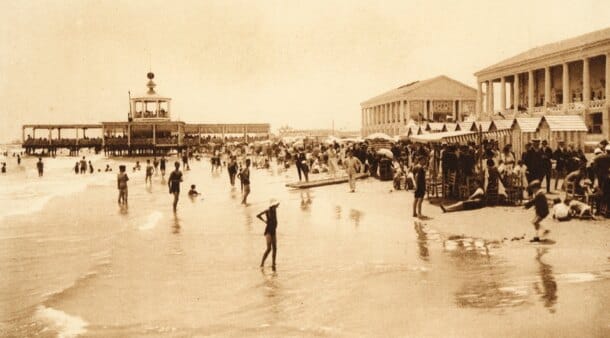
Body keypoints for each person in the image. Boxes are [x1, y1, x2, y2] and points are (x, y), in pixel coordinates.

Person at [257, 200, 280, 270]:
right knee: (269, 248)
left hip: (273, 231)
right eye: (275, 206)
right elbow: (258, 215)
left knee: (275, 248)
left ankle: (273, 263)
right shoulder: (267, 210)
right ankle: (262, 263)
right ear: (272, 206)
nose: (276, 206)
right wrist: (264, 221)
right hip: (268, 231)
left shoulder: (274, 210)